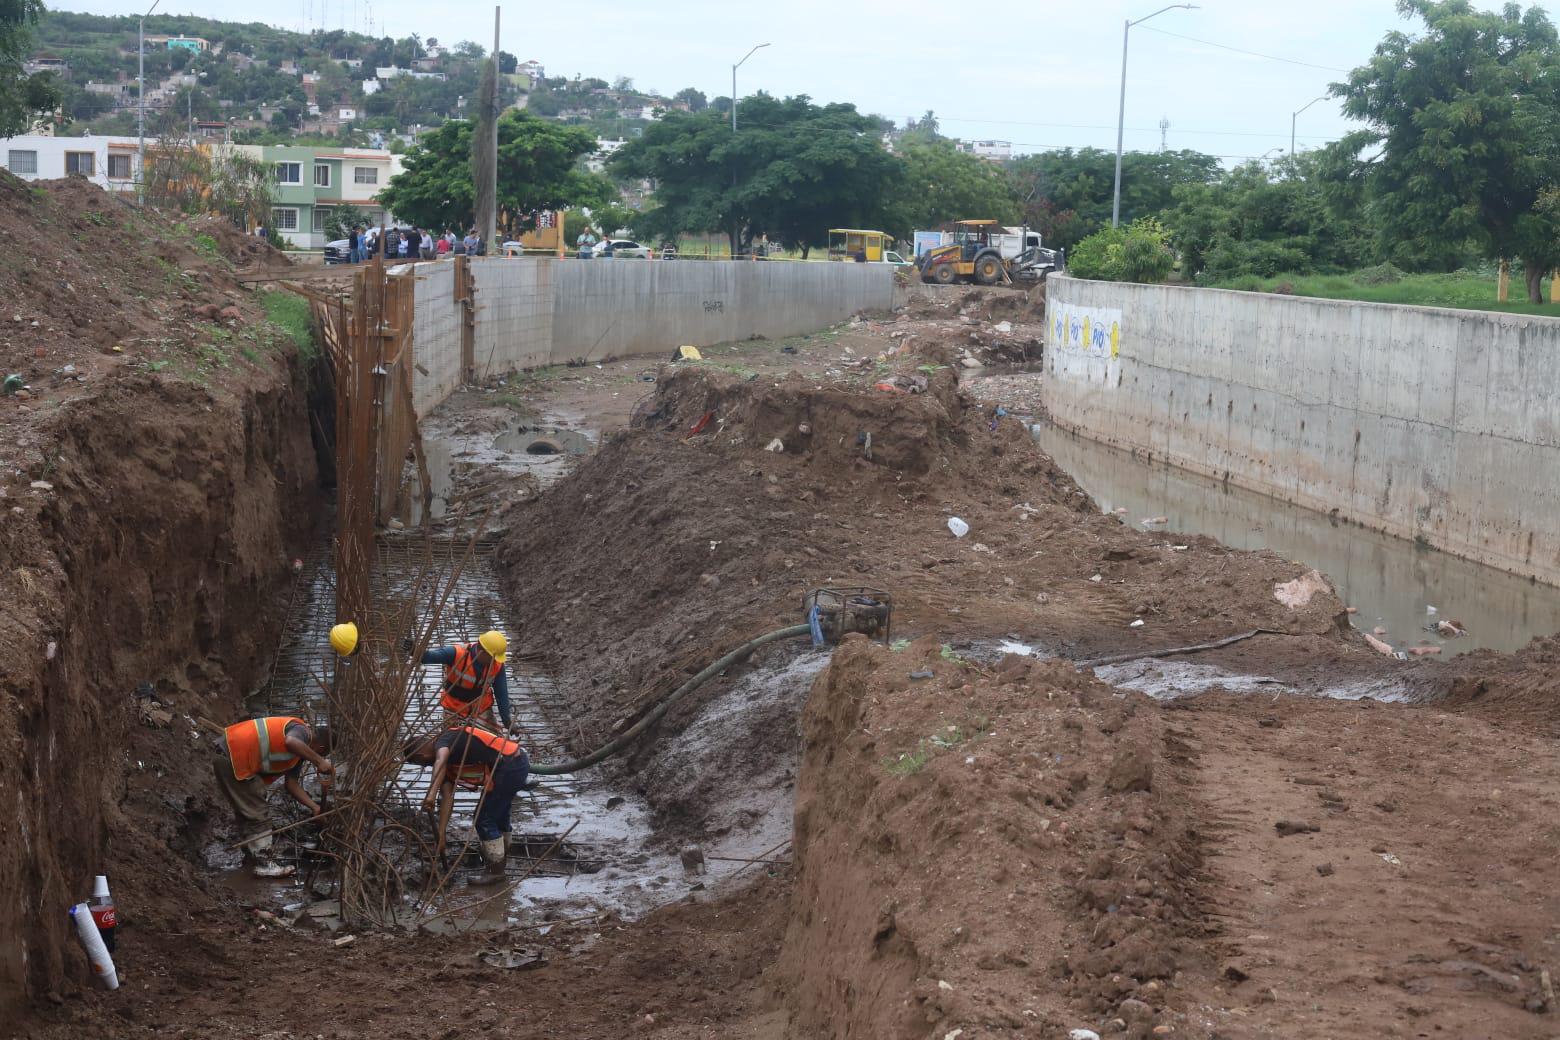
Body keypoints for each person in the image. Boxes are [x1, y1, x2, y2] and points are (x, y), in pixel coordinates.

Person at [404, 726, 529, 882]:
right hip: (515, 764)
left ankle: (496, 870)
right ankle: (500, 858)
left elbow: (439, 760)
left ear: (421, 755)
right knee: (499, 814)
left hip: (510, 766)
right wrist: (441, 835)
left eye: (422, 763)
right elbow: (447, 798)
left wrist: (430, 795)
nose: (425, 766)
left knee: (484, 819)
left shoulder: (444, 740)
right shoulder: (448, 760)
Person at [213, 716, 334, 877]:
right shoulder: (302, 731)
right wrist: (320, 761)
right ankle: (263, 864)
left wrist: (315, 807)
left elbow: (291, 785)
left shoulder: (299, 755)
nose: (314, 758)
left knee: (248, 808)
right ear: (321, 747)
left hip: (233, 757)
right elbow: (291, 741)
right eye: (322, 753)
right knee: (258, 811)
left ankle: (251, 856)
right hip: (233, 755)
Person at [420, 630, 512, 733]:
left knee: (491, 742)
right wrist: (415, 651)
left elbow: (501, 694)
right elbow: (428, 657)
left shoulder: (497, 665)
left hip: (481, 709)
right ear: (482, 650)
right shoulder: (456, 654)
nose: (495, 660)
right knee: (452, 742)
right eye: (493, 657)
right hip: (454, 708)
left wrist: (507, 721)